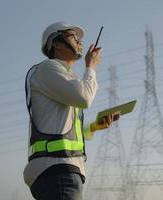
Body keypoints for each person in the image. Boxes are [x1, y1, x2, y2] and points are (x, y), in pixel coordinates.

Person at [23, 22, 119, 200]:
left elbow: (64, 135)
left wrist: (95, 127)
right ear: (57, 43)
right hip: (57, 169)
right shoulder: (48, 68)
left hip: (60, 169)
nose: (80, 40)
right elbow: (84, 98)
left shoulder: (63, 79)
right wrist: (91, 67)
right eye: (73, 36)